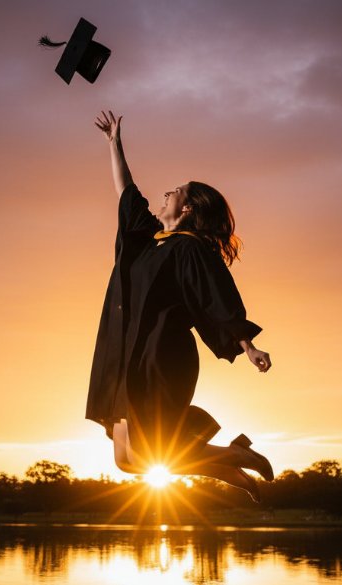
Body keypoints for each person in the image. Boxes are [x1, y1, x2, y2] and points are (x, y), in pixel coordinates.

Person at [86, 111, 274, 502]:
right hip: (122, 354)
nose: (166, 194)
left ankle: (234, 456)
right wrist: (113, 143)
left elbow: (216, 295)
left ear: (188, 208)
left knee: (147, 452)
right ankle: (229, 466)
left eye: (175, 191)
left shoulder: (190, 248)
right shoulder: (146, 239)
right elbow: (127, 192)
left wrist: (247, 343)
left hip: (159, 355)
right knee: (127, 461)